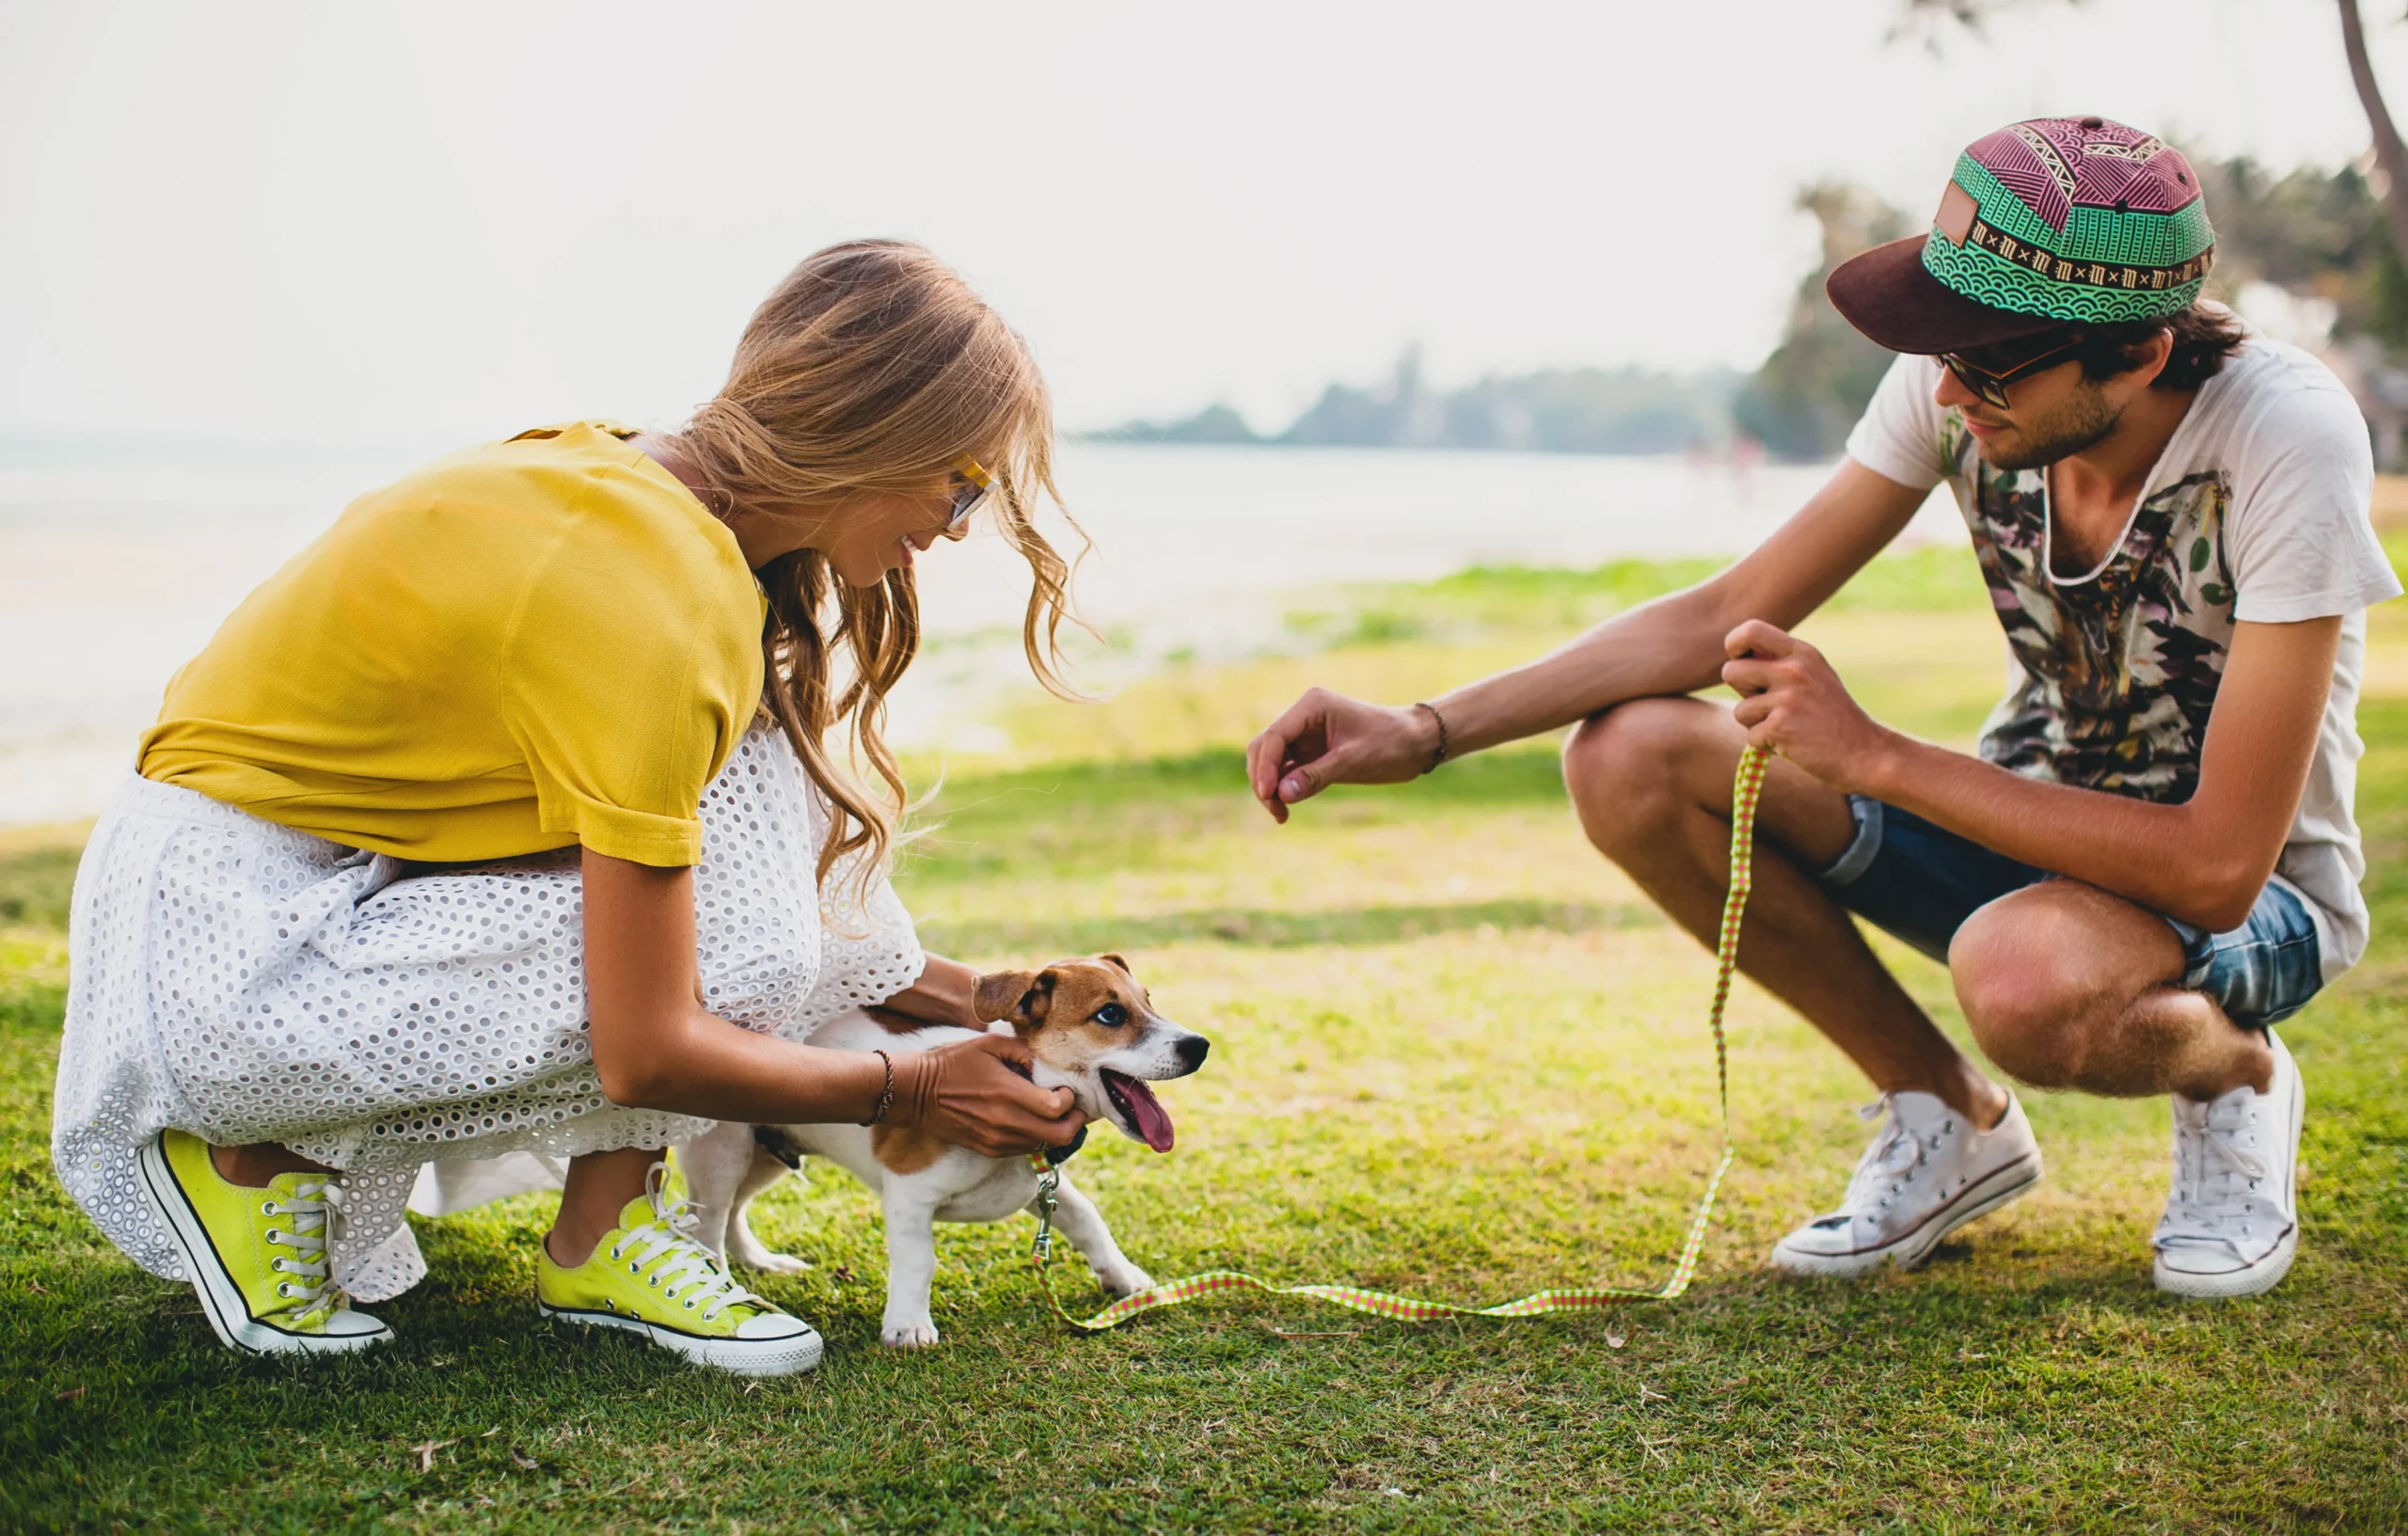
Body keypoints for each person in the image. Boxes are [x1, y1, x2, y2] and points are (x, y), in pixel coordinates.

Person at [1244, 117, 2400, 1299]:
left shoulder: (2283, 437)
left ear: (2137, 358)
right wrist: (1426, 730)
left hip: (2250, 899)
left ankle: (2234, 1078)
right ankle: (1946, 1115)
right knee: (1630, 755)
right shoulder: (1961, 377)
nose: (1947, 388)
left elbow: (2214, 867)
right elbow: (1728, 610)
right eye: (1943, 345)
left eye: (1989, 362)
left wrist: (1875, 758)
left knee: (2021, 977)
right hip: (2025, 840)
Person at [53, 240, 1089, 1371]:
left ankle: (605, 1218)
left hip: (290, 885)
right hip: (229, 964)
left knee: (752, 811)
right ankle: (247, 1156)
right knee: (742, 945)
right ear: (878, 432)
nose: (954, 527)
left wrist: (970, 996)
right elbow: (651, 1048)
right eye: (963, 484)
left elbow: (722, 866)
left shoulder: (646, 492)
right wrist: (916, 1077)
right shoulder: (656, 599)